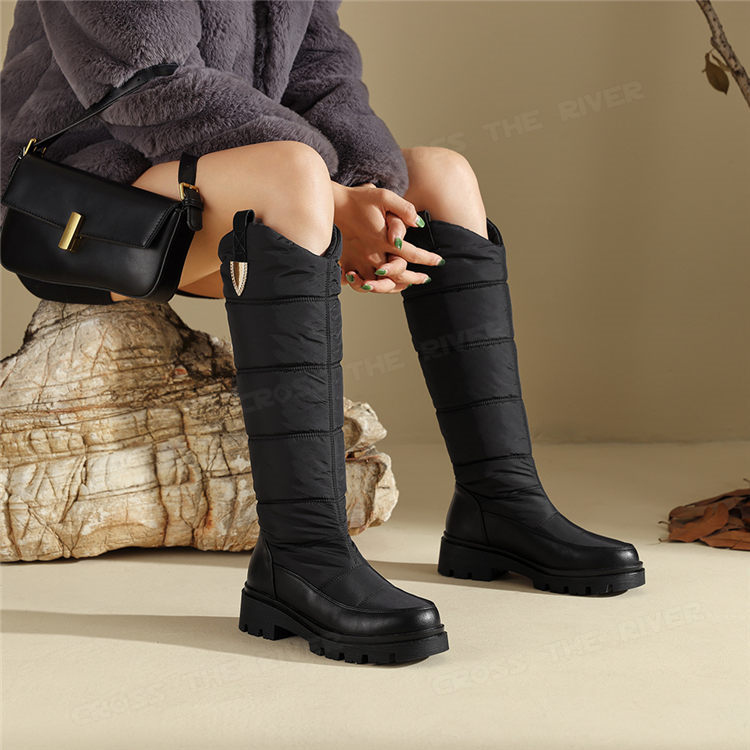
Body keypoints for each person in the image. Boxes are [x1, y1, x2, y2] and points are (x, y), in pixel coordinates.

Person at [1, 0, 645, 665]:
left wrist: (366, 187)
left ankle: (500, 505)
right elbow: (147, 81)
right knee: (293, 172)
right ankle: (299, 557)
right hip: (78, 206)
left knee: (441, 176)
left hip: (215, 192)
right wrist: (333, 200)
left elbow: (323, 74)